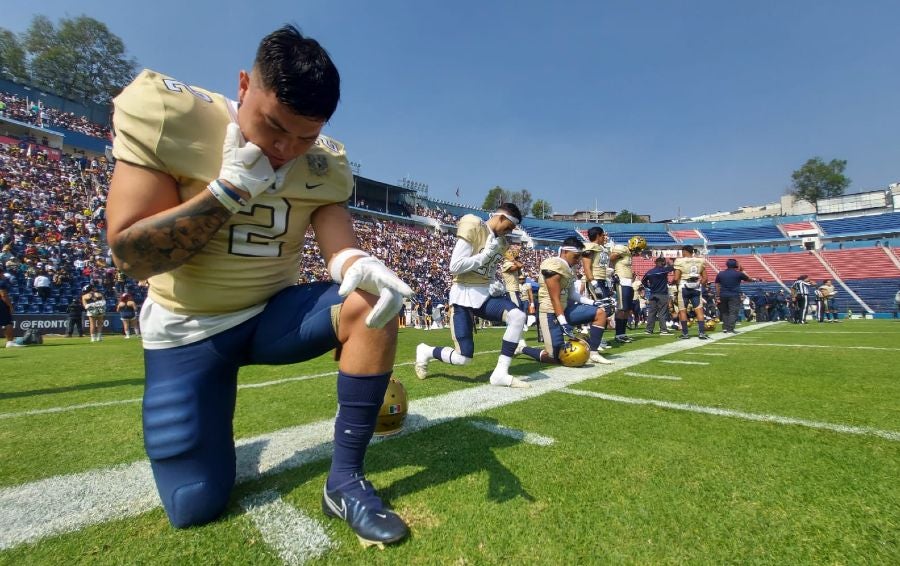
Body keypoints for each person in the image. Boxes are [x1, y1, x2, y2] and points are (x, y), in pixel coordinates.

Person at [105, 26, 412, 545]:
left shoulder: (324, 160)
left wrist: (356, 261)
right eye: (273, 127)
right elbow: (132, 258)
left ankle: (345, 481)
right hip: (188, 330)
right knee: (194, 505)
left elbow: (340, 248)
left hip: (272, 316)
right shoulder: (171, 114)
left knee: (372, 298)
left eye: (304, 137)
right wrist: (227, 192)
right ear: (243, 85)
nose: (285, 149)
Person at [414, 204, 530, 388]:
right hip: (463, 295)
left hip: (484, 294)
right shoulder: (474, 225)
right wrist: (484, 257)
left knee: (518, 316)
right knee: (463, 358)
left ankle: (500, 374)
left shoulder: (500, 242)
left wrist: (494, 283)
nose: (508, 233)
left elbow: (486, 272)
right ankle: (425, 351)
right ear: (501, 217)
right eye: (507, 227)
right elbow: (455, 267)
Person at [517, 237, 612, 365]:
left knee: (600, 312)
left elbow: (572, 294)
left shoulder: (569, 268)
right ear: (565, 252)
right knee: (556, 357)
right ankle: (522, 348)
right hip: (550, 313)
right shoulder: (554, 264)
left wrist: (593, 303)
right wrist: (563, 322)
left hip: (565, 309)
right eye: (575, 256)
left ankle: (594, 353)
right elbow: (554, 298)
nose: (578, 260)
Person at [608, 236, 646, 343]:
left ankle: (623, 333)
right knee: (621, 309)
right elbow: (610, 259)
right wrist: (611, 272)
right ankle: (618, 335)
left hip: (628, 283)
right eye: (638, 249)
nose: (639, 251)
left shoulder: (628, 253)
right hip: (622, 281)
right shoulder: (622, 249)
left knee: (626, 309)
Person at [581, 226, 612, 347]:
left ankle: (597, 339)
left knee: (606, 310)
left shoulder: (601, 248)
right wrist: (593, 282)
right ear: (598, 235)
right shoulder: (590, 246)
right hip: (595, 280)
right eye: (603, 235)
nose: (604, 237)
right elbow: (586, 266)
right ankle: (594, 340)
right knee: (602, 309)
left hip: (602, 280)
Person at [673, 245, 709, 339]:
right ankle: (701, 333)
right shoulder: (700, 261)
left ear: (684, 251)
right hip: (696, 287)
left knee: (683, 311)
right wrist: (699, 284)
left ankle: (685, 334)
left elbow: (676, 278)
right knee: (699, 311)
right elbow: (705, 278)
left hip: (684, 287)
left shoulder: (680, 261)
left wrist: (676, 285)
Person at [714, 259, 750, 333]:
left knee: (725, 312)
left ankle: (725, 328)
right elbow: (749, 279)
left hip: (723, 295)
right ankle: (730, 328)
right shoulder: (738, 273)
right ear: (735, 265)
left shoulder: (720, 273)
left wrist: (718, 295)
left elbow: (717, 285)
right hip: (734, 295)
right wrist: (742, 270)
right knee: (733, 312)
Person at [641, 256, 674, 335]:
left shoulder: (649, 272)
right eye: (664, 262)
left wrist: (649, 287)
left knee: (652, 312)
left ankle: (649, 330)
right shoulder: (663, 270)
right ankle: (663, 330)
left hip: (652, 294)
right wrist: (670, 263)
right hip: (662, 294)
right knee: (662, 312)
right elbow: (672, 268)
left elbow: (643, 281)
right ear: (662, 262)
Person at [1, 273, 23, 348]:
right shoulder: (1, 283)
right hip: (1, 306)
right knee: (7, 323)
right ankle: (10, 342)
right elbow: (3, 295)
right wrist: (10, 306)